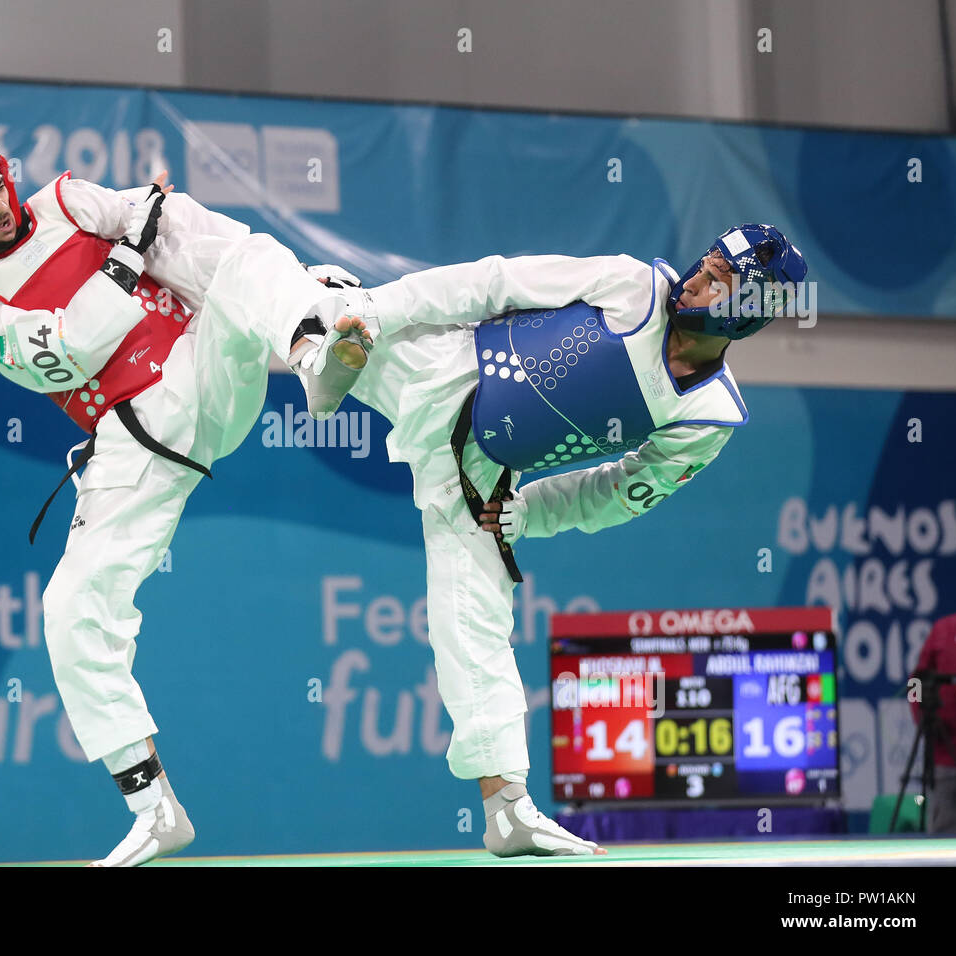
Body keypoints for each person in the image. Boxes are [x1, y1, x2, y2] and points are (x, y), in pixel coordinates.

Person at [0, 120, 373, 867]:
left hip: (202, 361)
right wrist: (124, 261)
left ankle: (311, 340)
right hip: (133, 437)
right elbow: (59, 356)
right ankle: (155, 810)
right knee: (70, 611)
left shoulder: (67, 199)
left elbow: (160, 221)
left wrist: (147, 228)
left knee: (242, 252)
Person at [320, 224, 807, 857]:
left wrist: (532, 513)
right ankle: (197, 262)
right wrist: (379, 306)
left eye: (718, 281)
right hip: (447, 365)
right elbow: (493, 281)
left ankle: (507, 811)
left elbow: (625, 492)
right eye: (705, 264)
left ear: (746, 315)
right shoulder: (633, 286)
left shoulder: (708, 415)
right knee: (307, 303)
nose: (695, 280)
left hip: (482, 471)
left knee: (470, 625)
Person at [909, 607, 956, 833]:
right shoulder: (945, 630)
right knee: (946, 845)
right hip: (948, 761)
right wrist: (923, 717)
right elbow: (914, 683)